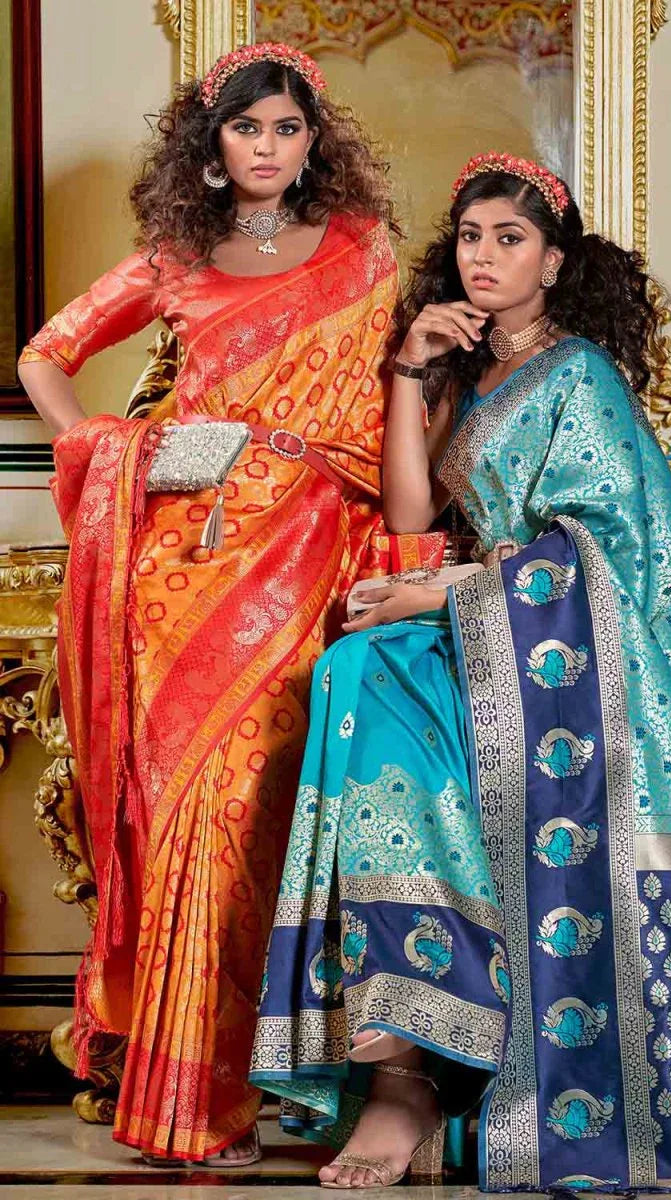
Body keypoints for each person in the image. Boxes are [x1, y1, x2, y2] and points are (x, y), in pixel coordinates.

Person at [248, 152, 671, 1191]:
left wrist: (438, 595)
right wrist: (410, 367)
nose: (484, 256)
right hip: (487, 633)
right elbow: (412, 511)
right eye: (470, 238)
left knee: (373, 671)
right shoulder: (470, 374)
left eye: (509, 239)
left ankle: (417, 1066)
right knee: (353, 671)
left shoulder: (578, 374)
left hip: (566, 663)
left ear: (552, 261)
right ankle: (404, 1052)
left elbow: (604, 549)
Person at [17, 42, 405, 1166]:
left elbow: (395, 399)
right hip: (185, 565)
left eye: (286, 128)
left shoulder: (363, 248)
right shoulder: (175, 260)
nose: (268, 148)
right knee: (189, 811)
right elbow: (46, 356)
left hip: (316, 553)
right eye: (247, 129)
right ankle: (187, 1103)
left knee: (266, 811)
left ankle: (284, 1083)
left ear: (313, 141)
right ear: (212, 144)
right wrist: (123, 449)